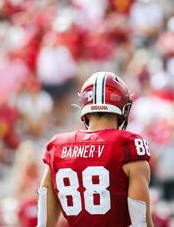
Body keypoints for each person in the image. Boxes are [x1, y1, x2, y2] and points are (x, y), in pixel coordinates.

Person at [38, 72, 153, 227]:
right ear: (123, 108)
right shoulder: (128, 145)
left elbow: (44, 224)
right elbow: (142, 223)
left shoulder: (57, 146)